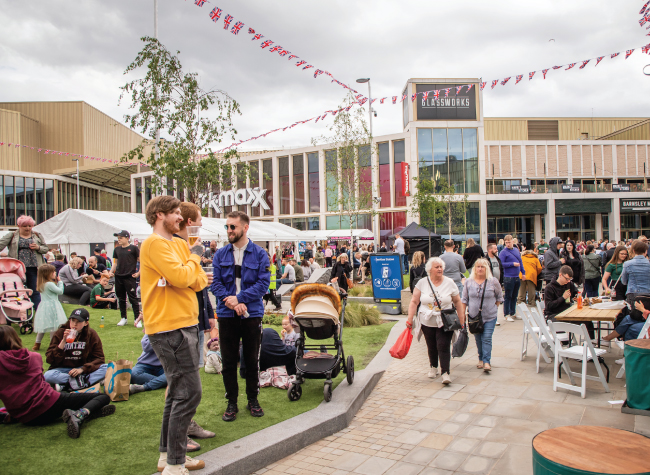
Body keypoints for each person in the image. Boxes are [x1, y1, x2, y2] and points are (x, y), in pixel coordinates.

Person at [140, 195, 209, 473]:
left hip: (186, 325)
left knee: (176, 394)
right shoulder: (153, 244)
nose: (181, 218)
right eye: (176, 213)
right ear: (160, 214)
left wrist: (187, 269)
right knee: (189, 393)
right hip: (169, 328)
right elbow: (184, 278)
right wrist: (192, 261)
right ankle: (174, 465)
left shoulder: (178, 244)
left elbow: (199, 281)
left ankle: (168, 456)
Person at [0, 325, 115, 438]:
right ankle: (80, 415)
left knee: (67, 396)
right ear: (16, 339)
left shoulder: (90, 334)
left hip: (24, 417)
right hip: (49, 404)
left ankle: (83, 409)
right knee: (102, 397)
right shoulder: (34, 357)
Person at [212, 211, 270, 424]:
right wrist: (231, 301)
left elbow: (263, 284)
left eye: (233, 227)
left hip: (251, 314)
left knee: (252, 360)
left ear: (245, 228)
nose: (229, 230)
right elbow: (215, 283)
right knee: (228, 361)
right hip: (227, 314)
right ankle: (232, 402)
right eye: (227, 226)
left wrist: (240, 298)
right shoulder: (220, 254)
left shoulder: (260, 254)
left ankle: (253, 400)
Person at [129, 314, 215, 453]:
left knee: (184, 389)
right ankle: (176, 449)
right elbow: (146, 345)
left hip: (190, 323)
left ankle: (178, 439)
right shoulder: (157, 317)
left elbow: (201, 293)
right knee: (181, 389)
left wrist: (208, 314)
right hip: (172, 328)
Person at [406, 257, 465, 384]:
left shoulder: (450, 282)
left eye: (441, 267)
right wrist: (410, 318)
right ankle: (433, 366)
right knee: (431, 346)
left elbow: (457, 302)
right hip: (427, 321)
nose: (439, 269)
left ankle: (445, 373)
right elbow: (414, 301)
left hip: (445, 321)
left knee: (443, 345)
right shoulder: (422, 283)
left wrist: (461, 319)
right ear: (430, 269)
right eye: (436, 267)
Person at [176, 202, 215, 367]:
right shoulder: (178, 247)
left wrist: (209, 315)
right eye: (200, 219)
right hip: (184, 320)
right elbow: (184, 279)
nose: (202, 223)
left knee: (193, 372)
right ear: (190, 221)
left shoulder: (189, 246)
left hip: (197, 317)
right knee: (184, 374)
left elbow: (196, 279)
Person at [44, 308, 108, 389]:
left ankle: (67, 385)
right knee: (48, 375)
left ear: (86, 323)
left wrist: (82, 369)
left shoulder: (91, 334)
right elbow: (49, 359)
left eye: (78, 322)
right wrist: (63, 341)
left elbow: (99, 359)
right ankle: (86, 382)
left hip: (82, 369)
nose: (74, 324)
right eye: (72, 320)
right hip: (63, 370)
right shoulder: (60, 333)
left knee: (107, 368)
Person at [461, 258, 503, 372]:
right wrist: (463, 314)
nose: (480, 269)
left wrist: (494, 307)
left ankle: (486, 361)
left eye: (482, 267)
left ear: (487, 269)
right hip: (474, 317)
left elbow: (499, 297)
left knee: (487, 338)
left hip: (490, 316)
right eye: (478, 267)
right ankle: (480, 358)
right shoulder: (469, 282)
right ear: (474, 268)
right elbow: (464, 299)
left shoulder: (493, 281)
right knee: (478, 338)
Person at [0, 215, 49, 310]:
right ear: (19, 226)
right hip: (17, 269)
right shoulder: (12, 235)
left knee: (34, 291)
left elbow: (46, 249)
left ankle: (38, 314)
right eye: (25, 226)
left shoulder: (37, 235)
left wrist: (38, 248)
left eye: (30, 226)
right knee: (16, 290)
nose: (28, 228)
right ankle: (18, 313)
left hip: (33, 268)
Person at [32, 264, 67, 351]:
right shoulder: (49, 284)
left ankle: (37, 343)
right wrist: (60, 282)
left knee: (42, 326)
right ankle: (53, 344)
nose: (55, 273)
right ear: (48, 273)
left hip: (44, 306)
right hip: (52, 306)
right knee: (53, 326)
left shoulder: (41, 284)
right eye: (53, 272)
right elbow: (60, 291)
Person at [110, 230, 140, 327]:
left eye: (121, 238)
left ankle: (137, 319)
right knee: (121, 298)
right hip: (119, 277)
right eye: (118, 238)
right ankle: (124, 318)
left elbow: (142, 261)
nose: (119, 240)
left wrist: (139, 273)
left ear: (127, 238)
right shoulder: (117, 249)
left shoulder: (134, 248)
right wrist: (110, 272)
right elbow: (115, 263)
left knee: (133, 298)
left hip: (130, 277)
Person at [499, 235, 525, 322]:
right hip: (508, 277)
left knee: (514, 296)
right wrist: (512, 264)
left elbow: (520, 261)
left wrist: (523, 272)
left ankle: (513, 312)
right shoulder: (503, 252)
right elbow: (501, 264)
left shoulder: (516, 250)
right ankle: (506, 314)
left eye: (509, 242)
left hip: (516, 276)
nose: (508, 244)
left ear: (512, 242)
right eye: (506, 243)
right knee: (508, 296)